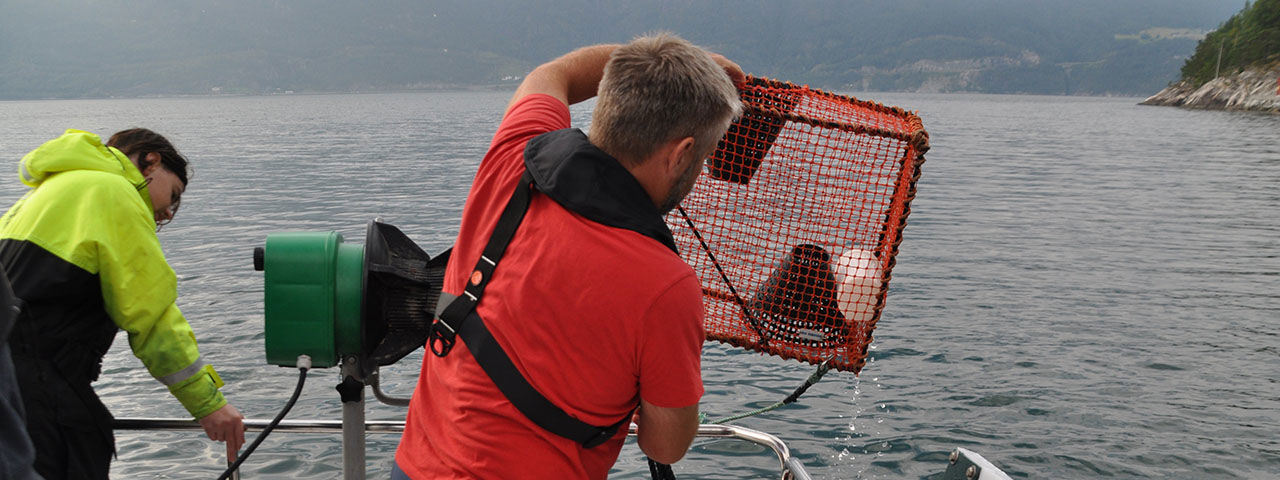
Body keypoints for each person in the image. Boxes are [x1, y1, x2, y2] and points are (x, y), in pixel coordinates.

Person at [394, 33, 743, 479]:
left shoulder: (512, 158)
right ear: (681, 155)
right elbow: (666, 445)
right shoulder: (667, 287)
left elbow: (551, 74)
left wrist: (664, 66)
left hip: (416, 467)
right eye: (704, 157)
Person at [0, 128, 245, 479]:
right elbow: (152, 315)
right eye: (173, 195)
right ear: (151, 162)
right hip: (42, 388)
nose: (169, 213)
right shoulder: (114, 192)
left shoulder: (49, 192)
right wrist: (209, 404)